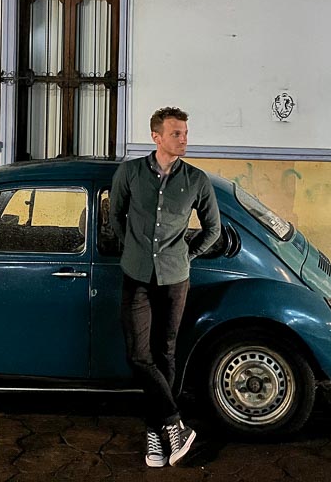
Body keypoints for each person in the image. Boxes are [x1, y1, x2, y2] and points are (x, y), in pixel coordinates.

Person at [109, 106, 221, 467]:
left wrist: (187, 256)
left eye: (185, 132)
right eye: (176, 133)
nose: (184, 138)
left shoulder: (197, 180)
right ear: (156, 137)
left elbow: (213, 229)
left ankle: (155, 436)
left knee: (166, 353)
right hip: (136, 275)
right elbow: (115, 215)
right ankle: (174, 424)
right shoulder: (129, 173)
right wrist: (133, 251)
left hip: (175, 279)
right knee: (139, 355)